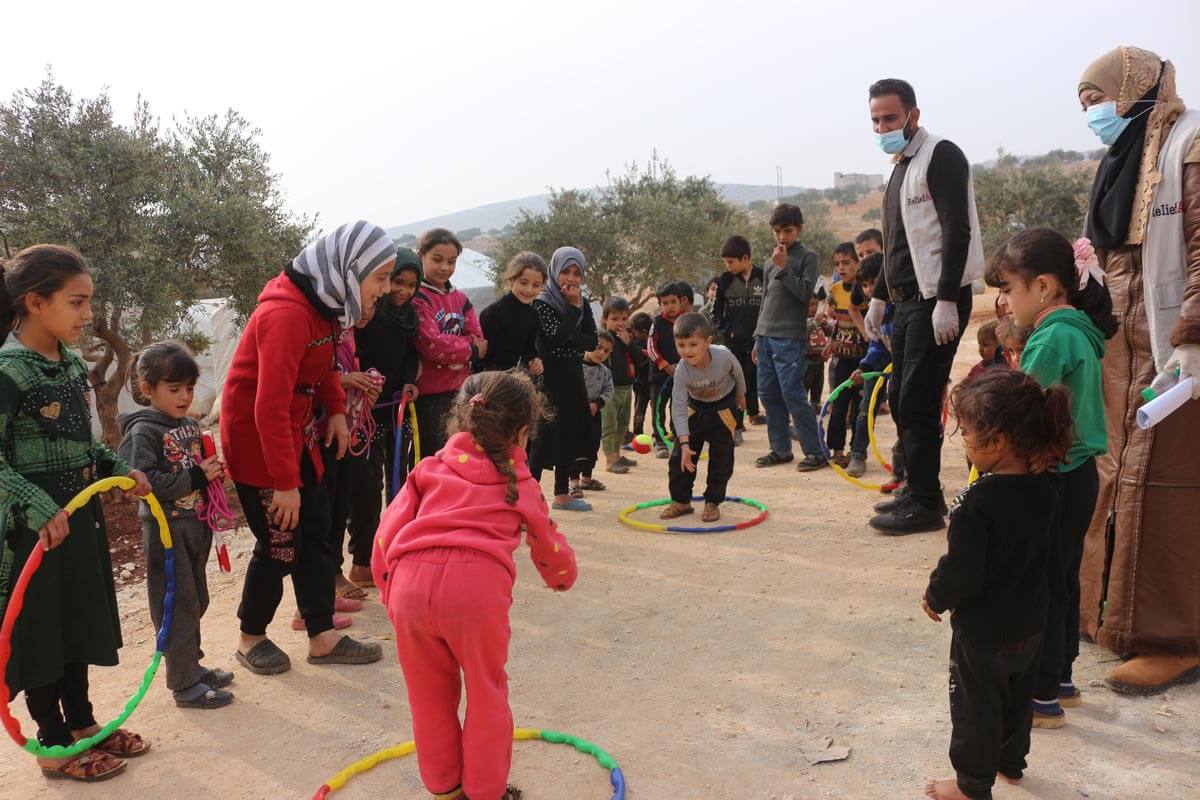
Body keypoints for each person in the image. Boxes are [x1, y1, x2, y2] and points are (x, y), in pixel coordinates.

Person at [372, 371, 577, 800]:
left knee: (429, 697)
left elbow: (385, 533)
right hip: (475, 594)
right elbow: (549, 545)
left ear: (461, 421)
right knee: (486, 695)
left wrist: (391, 592)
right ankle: (485, 793)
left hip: (409, 588)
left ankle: (445, 788)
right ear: (523, 431)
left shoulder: (427, 470)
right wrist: (561, 577)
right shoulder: (520, 484)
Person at [0, 244, 153, 782]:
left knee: (75, 621)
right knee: (43, 631)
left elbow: (85, 445)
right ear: (35, 302)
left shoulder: (68, 363)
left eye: (89, 302)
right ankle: (52, 742)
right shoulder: (8, 371)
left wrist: (119, 469)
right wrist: (39, 506)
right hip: (33, 530)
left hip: (77, 518)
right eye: (77, 302)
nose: (88, 315)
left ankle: (84, 724)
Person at [1075, 45, 1200, 694]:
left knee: (1169, 493)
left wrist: (1194, 339)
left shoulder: (1191, 145)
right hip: (1122, 355)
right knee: (1112, 477)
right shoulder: (1121, 162)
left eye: (1100, 99)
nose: (1093, 113)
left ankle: (1172, 637)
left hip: (1175, 353)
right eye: (1085, 104)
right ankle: (1106, 613)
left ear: (1137, 89)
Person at [221, 221, 391, 675]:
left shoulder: (325, 307)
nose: (386, 288)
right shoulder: (286, 316)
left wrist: (335, 409)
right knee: (279, 545)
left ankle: (322, 636)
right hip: (261, 446)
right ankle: (250, 636)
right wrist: (284, 483)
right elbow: (267, 408)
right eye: (380, 277)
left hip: (298, 432)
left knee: (316, 532)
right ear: (349, 270)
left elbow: (324, 369)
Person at [985, 227, 1116, 727]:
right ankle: (1060, 677)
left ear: (1042, 286)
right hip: (1079, 473)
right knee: (1061, 576)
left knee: (1041, 583)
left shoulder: (1051, 336)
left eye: (1008, 288)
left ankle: (1040, 695)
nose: (1002, 300)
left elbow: (1022, 405)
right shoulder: (1076, 327)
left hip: (1054, 475)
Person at [921, 369, 1072, 800]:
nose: (963, 441)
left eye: (967, 432)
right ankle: (1011, 765)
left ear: (998, 440)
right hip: (1031, 623)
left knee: (976, 708)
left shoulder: (978, 503)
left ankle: (971, 785)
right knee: (1016, 699)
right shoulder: (1048, 482)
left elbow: (963, 570)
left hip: (984, 633)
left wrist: (936, 593)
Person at [864, 78, 985, 534]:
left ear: (913, 113)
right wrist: (878, 298)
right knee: (900, 397)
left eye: (890, 118)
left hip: (937, 300)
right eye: (875, 120)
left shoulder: (941, 155)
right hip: (906, 303)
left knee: (916, 397)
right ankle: (916, 491)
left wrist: (949, 299)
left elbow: (957, 231)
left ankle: (926, 503)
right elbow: (897, 243)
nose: (882, 127)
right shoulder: (898, 169)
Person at [119, 342, 233, 711]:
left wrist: (209, 474)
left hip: (195, 525)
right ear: (147, 389)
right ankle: (183, 683)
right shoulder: (143, 432)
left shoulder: (187, 424)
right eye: (174, 389)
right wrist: (197, 475)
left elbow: (192, 472)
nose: (185, 397)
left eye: (189, 388)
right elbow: (143, 483)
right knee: (176, 603)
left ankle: (192, 666)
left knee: (196, 598)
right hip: (166, 531)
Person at [347, 247, 421, 590]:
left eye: (410, 284)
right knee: (367, 483)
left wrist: (409, 382)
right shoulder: (368, 314)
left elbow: (408, 355)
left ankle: (393, 547)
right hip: (366, 411)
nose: (402, 291)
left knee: (401, 478)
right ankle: (362, 560)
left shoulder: (409, 318)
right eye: (396, 282)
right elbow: (354, 356)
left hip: (397, 406)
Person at [753, 203, 825, 471]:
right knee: (768, 393)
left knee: (793, 394)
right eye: (777, 231)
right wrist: (756, 337)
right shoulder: (770, 261)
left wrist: (784, 269)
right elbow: (766, 301)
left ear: (799, 229)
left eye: (787, 231)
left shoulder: (808, 257)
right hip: (765, 336)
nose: (782, 237)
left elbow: (805, 293)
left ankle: (816, 452)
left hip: (789, 339)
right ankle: (780, 449)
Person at [530, 247, 599, 512]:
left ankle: (561, 494)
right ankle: (530, 497)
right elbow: (554, 339)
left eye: (576, 273)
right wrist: (571, 312)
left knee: (568, 435)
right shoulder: (542, 302)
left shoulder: (583, 302)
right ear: (554, 271)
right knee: (543, 437)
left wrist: (571, 335)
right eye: (565, 272)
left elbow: (592, 340)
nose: (570, 279)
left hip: (573, 376)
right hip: (549, 379)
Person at [660, 313, 746, 522]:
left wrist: (741, 395)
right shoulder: (681, 371)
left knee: (721, 457)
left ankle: (712, 502)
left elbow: (739, 373)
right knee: (681, 457)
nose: (686, 351)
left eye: (692, 344)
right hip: (695, 408)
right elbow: (678, 407)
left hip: (723, 407)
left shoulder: (723, 356)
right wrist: (685, 442)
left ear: (708, 342)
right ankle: (681, 501)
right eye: (681, 345)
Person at [412, 228, 486, 457]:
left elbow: (479, 337)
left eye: (451, 261)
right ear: (420, 255)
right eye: (437, 259)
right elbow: (431, 344)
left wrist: (462, 346)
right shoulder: (418, 298)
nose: (445, 267)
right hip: (429, 396)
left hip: (460, 393)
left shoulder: (460, 298)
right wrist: (470, 348)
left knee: (458, 455)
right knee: (432, 459)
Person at [714, 235, 765, 435]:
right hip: (733, 342)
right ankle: (736, 424)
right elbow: (716, 312)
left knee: (753, 379)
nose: (728, 266)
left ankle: (754, 414)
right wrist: (728, 329)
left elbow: (768, 308)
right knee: (734, 380)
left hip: (757, 341)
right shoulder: (725, 280)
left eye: (731, 262)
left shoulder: (762, 276)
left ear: (745, 258)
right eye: (726, 262)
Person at [825, 243, 869, 468]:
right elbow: (834, 321)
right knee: (839, 404)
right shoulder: (834, 290)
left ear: (857, 263)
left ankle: (857, 452)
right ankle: (837, 449)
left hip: (863, 358)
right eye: (837, 264)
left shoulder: (866, 289)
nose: (841, 268)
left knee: (862, 406)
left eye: (846, 263)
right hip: (841, 357)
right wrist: (830, 340)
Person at [848, 253, 891, 479]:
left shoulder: (899, 309)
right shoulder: (874, 315)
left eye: (873, 283)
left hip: (903, 365)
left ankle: (903, 461)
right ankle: (857, 454)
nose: (869, 289)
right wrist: (864, 367)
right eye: (864, 285)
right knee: (866, 407)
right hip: (879, 364)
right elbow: (876, 345)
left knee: (906, 410)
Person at [476, 252, 546, 375]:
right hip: (485, 381)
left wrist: (534, 359)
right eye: (523, 283)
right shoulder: (492, 314)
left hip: (512, 380)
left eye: (536, 285)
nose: (529, 290)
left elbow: (528, 350)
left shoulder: (533, 315)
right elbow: (480, 358)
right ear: (512, 280)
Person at [600, 297, 642, 474]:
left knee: (623, 424)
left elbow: (640, 359)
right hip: (610, 389)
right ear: (605, 320)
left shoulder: (627, 338)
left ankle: (617, 455)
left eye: (623, 319)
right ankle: (610, 460)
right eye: (614, 319)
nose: (619, 323)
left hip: (626, 388)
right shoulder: (604, 339)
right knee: (609, 425)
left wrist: (628, 343)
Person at [571, 332, 615, 495]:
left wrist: (598, 403)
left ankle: (587, 479)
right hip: (574, 415)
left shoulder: (605, 371)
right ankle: (573, 483)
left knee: (592, 446)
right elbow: (568, 387)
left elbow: (609, 390)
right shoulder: (574, 365)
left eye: (606, 351)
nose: (601, 353)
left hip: (594, 416)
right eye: (598, 348)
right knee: (574, 448)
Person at [646, 282, 684, 458]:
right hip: (660, 375)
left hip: (681, 374)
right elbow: (651, 347)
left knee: (678, 406)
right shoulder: (657, 323)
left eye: (673, 302)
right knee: (658, 407)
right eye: (665, 303)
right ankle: (660, 440)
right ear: (660, 304)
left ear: (680, 301)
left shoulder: (686, 321)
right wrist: (665, 365)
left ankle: (677, 437)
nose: (670, 306)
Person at [629, 312, 654, 438]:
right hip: (641, 383)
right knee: (640, 410)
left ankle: (658, 434)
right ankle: (637, 433)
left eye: (636, 332)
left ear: (644, 331)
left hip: (653, 382)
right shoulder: (635, 342)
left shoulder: (653, 341)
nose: (634, 334)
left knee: (655, 409)